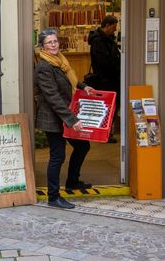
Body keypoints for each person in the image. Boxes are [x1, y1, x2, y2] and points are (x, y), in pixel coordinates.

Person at [35, 28, 94, 209]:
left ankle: (72, 181)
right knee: (57, 156)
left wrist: (83, 87)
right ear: (42, 47)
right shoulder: (44, 67)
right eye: (49, 43)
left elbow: (69, 79)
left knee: (83, 145)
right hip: (54, 118)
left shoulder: (60, 60)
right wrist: (73, 120)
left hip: (65, 114)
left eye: (55, 41)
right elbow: (53, 97)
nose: (54, 45)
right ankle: (53, 197)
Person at [88, 15, 121, 143]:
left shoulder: (106, 39)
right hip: (106, 81)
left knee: (109, 107)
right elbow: (103, 63)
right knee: (108, 108)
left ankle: (106, 133)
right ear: (107, 26)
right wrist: (116, 68)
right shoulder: (99, 41)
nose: (115, 30)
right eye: (113, 27)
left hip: (110, 80)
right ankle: (104, 134)